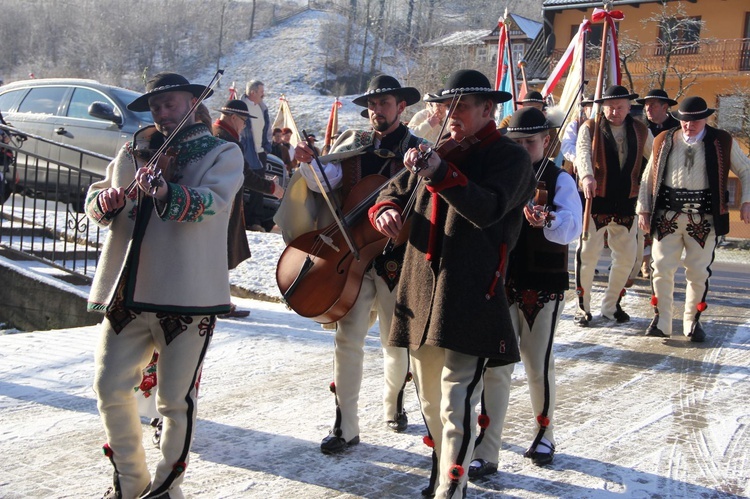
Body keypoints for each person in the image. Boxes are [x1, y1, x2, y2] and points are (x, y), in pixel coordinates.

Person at [370, 69, 535, 498]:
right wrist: (385, 211)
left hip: (472, 293)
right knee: (428, 401)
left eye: (461, 106)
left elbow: (487, 208)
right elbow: (392, 192)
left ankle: (451, 489)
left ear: (487, 110)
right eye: (447, 105)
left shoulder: (510, 157)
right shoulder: (438, 150)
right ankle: (441, 475)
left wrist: (440, 170)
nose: (450, 113)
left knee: (455, 401)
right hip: (421, 292)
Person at [85, 72, 244, 499]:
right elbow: (97, 195)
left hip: (186, 295)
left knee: (175, 400)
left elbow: (215, 204)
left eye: (170, 103)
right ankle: (130, 479)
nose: (161, 112)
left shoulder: (221, 151)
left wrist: (167, 191)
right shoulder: (133, 149)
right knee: (108, 387)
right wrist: (107, 202)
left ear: (191, 102)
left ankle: (166, 488)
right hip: (127, 291)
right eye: (155, 106)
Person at [274, 74, 424, 455]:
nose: (377, 111)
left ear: (401, 107)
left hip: (397, 260)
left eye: (384, 104)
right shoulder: (353, 144)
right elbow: (328, 178)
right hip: (352, 257)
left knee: (397, 342)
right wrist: (308, 164)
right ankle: (346, 424)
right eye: (372, 105)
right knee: (348, 340)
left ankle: (394, 402)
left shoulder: (419, 149)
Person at [468, 107, 582, 478]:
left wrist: (547, 218)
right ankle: (487, 450)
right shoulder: (500, 174)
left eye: (529, 142)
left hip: (542, 285)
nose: (521, 148)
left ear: (546, 142)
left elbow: (571, 227)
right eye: (515, 142)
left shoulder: (559, 179)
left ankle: (545, 431)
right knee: (495, 366)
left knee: (536, 364)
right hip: (501, 281)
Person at [636, 96, 750, 342]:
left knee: (698, 272)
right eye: (685, 120)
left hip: (703, 219)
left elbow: (746, 169)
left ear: (706, 118)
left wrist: (746, 201)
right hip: (668, 216)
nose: (689, 125)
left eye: (695, 120)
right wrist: (643, 210)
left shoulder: (722, 141)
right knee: (661, 268)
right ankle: (662, 320)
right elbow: (648, 177)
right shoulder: (663, 140)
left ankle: (692, 322)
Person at [573, 85, 653, 327]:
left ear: (629, 107)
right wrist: (586, 176)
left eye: (619, 107)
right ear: (602, 107)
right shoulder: (591, 127)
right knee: (587, 255)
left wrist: (648, 187)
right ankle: (582, 307)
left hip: (627, 201)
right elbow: (582, 152)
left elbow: (655, 158)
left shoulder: (640, 130)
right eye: (609, 107)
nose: (614, 111)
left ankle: (610, 305)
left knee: (627, 258)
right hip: (597, 199)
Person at [212, 99, 283, 318]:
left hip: (221, 203)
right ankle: (218, 303)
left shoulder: (219, 137)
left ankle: (219, 301)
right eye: (243, 121)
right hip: (223, 206)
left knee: (219, 253)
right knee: (219, 253)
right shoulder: (226, 141)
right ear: (233, 118)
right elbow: (244, 175)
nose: (244, 126)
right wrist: (273, 188)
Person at [240, 80, 270, 231]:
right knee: (239, 184)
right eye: (260, 92)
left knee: (258, 188)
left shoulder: (262, 108)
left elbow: (266, 130)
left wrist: (266, 147)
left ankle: (255, 221)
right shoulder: (239, 106)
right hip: (244, 152)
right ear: (252, 92)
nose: (263, 94)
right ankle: (239, 219)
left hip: (259, 153)